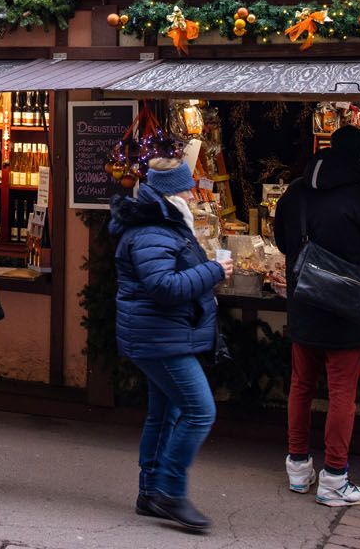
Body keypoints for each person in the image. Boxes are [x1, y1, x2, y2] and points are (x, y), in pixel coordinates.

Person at [274, 125, 360, 507]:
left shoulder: (294, 194)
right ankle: (335, 478)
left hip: (303, 301)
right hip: (345, 307)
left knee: (301, 385)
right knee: (342, 393)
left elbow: (281, 241)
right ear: (359, 156)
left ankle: (297, 468)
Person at [110, 154, 229, 533]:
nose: (193, 196)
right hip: (159, 338)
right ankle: (172, 492)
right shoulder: (153, 231)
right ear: (172, 193)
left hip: (161, 334)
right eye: (187, 188)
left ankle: (149, 493)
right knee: (199, 410)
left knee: (165, 414)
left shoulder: (162, 223)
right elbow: (164, 287)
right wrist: (213, 271)